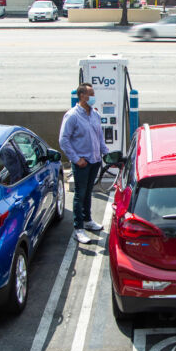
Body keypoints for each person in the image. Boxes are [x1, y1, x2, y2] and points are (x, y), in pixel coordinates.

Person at [59, 82, 108, 244]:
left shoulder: (95, 114)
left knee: (88, 193)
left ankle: (88, 220)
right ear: (82, 96)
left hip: (94, 161)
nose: (93, 97)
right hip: (82, 163)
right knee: (80, 195)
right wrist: (76, 159)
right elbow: (64, 140)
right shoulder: (72, 116)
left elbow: (99, 138)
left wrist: (107, 154)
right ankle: (78, 228)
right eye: (90, 94)